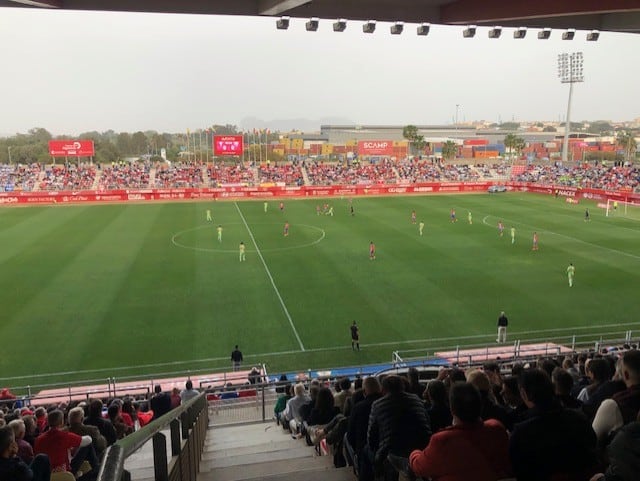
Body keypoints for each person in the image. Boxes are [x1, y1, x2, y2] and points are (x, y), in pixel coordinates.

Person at [405, 382, 512, 481]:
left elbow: (419, 467)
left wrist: (414, 453)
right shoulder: (496, 428)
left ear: (452, 409)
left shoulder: (442, 440)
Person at [34, 409, 97, 478]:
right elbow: (88, 440)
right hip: (65, 474)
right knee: (88, 445)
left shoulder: (38, 439)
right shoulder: (64, 436)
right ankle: (98, 470)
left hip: (46, 475)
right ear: (62, 422)